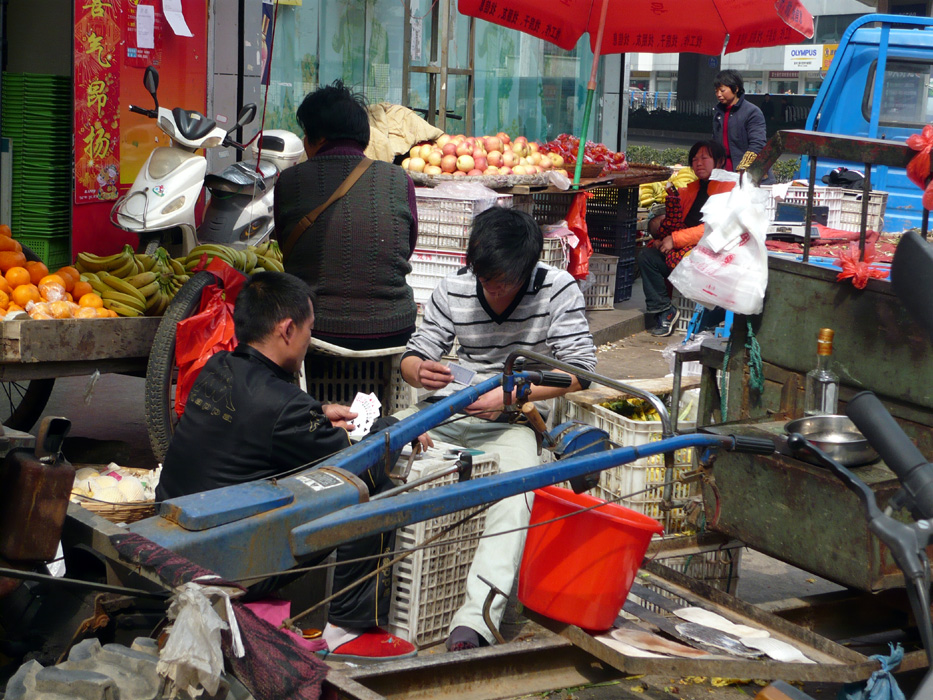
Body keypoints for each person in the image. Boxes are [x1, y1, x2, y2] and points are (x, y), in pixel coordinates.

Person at [155, 271, 418, 664]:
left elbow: (257, 425)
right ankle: (350, 626)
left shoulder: (217, 367)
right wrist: (393, 428)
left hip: (171, 534)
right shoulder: (284, 405)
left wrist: (315, 415)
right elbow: (354, 465)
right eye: (310, 330)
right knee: (374, 483)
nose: (309, 340)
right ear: (287, 329)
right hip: (225, 567)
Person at [396, 207, 598, 651]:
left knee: (517, 491)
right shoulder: (455, 287)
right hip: (446, 412)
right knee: (380, 449)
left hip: (514, 421)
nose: (493, 289)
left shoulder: (557, 289)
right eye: (486, 279)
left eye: (503, 282)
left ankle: (477, 621)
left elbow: (581, 371)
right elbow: (415, 353)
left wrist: (512, 397)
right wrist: (418, 372)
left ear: (527, 270)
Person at [274, 80, 418, 351]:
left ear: (317, 137)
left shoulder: (290, 181)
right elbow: (405, 249)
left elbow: (288, 251)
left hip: (313, 334)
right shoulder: (399, 179)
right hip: (393, 331)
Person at [638, 140, 735, 337]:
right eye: (694, 159)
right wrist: (659, 236)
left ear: (720, 161)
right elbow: (673, 222)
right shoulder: (689, 190)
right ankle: (664, 310)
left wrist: (675, 239)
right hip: (682, 253)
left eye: (704, 158)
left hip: (712, 256)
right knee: (647, 256)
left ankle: (710, 318)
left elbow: (715, 228)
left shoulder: (730, 188)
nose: (698, 163)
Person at [712, 70, 767, 174]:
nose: (718, 94)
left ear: (736, 89)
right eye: (716, 91)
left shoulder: (752, 112)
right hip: (723, 171)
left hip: (747, 173)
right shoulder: (718, 113)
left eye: (722, 90)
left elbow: (757, 144)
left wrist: (742, 169)